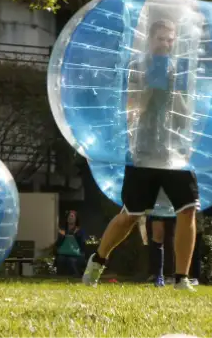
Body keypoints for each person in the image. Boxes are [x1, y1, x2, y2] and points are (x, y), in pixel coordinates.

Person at [83, 19, 199, 292]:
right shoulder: (136, 69)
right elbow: (130, 110)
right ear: (150, 41)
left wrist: (174, 89)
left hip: (173, 152)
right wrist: (152, 86)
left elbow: (183, 116)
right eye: (161, 39)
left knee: (188, 207)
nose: (166, 45)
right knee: (130, 215)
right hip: (144, 152)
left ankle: (181, 278)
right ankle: (97, 260)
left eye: (170, 40)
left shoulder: (177, 70)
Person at [55, 209, 87, 276]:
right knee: (61, 259)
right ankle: (60, 277)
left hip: (76, 253)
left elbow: (83, 244)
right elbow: (58, 244)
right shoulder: (63, 231)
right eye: (69, 216)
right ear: (67, 219)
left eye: (72, 216)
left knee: (71, 260)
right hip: (64, 253)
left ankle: (76, 275)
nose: (70, 217)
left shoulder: (80, 231)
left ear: (76, 219)